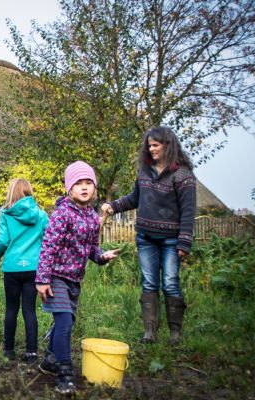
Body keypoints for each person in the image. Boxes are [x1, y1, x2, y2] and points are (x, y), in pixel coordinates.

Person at [101, 126, 196, 345]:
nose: (151, 149)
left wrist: (184, 240)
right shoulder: (144, 171)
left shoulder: (182, 175)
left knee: (171, 282)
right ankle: (150, 332)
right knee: (149, 282)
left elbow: (188, 210)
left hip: (171, 239)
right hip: (146, 238)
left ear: (168, 145)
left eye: (156, 145)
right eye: (149, 145)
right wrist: (113, 206)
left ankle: (174, 334)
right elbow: (135, 198)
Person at [35, 161, 120, 395]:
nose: (84, 187)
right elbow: (48, 246)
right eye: (78, 183)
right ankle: (65, 375)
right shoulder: (62, 213)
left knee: (66, 322)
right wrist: (42, 278)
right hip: (55, 276)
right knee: (64, 323)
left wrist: (102, 256)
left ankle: (49, 362)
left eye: (88, 183)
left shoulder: (93, 218)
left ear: (94, 187)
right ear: (69, 188)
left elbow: (92, 248)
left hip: (74, 279)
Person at [0, 178, 48, 362]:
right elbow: (49, 241)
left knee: (11, 309)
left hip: (12, 268)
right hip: (33, 268)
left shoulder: (5, 215)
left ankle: (8, 350)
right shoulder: (41, 215)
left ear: (11, 192)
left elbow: (2, 242)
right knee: (29, 310)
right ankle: (31, 352)